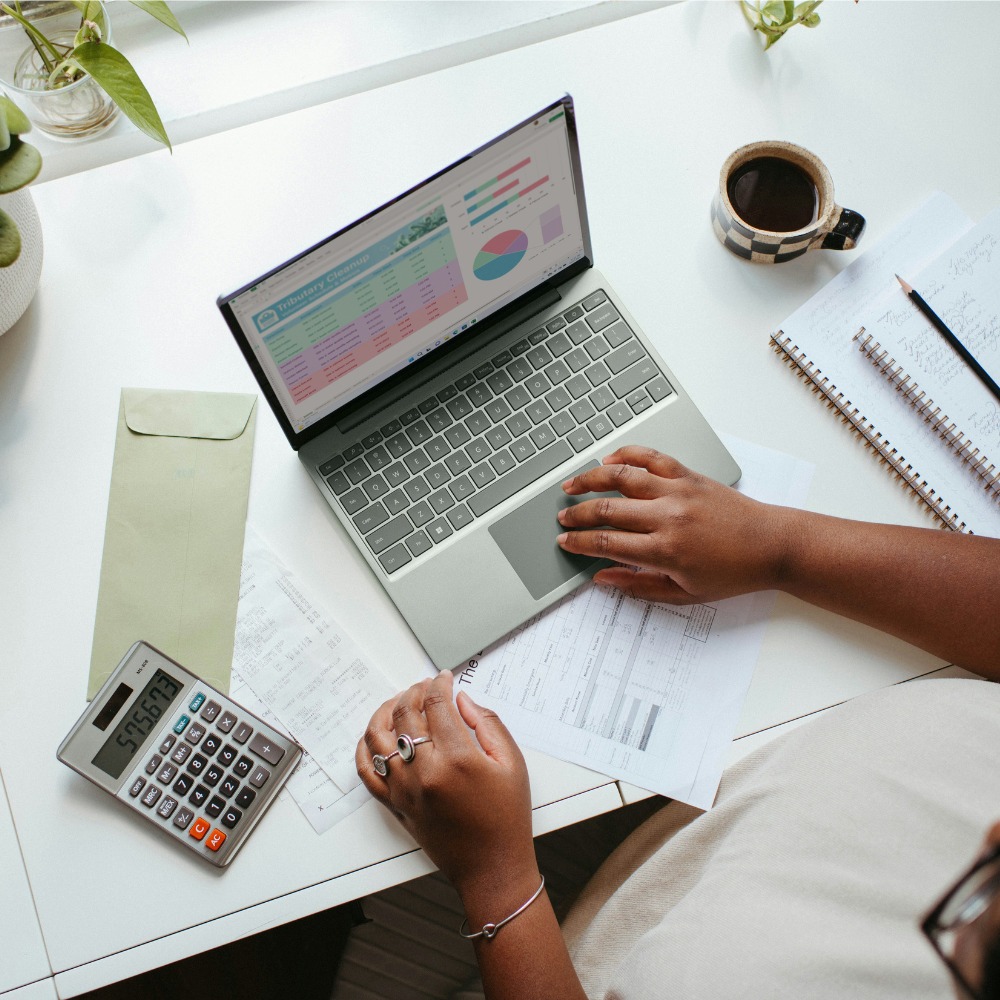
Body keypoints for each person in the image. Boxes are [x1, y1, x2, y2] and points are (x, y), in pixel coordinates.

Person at [356, 447, 1000, 1000]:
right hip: (736, 797)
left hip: (577, 913)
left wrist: (495, 879)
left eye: (976, 901)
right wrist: (780, 547)